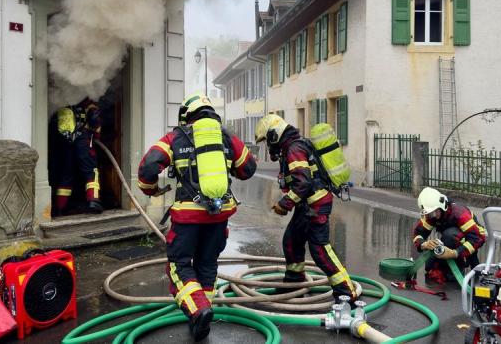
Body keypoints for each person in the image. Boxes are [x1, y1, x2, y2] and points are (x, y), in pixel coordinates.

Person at [138, 93, 256, 342]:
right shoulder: (226, 136)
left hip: (188, 217)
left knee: (178, 265)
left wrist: (150, 190)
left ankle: (198, 310)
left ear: (186, 115)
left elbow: (148, 166)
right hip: (219, 215)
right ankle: (202, 314)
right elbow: (248, 168)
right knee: (207, 263)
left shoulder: (175, 137)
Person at [254, 114, 356, 304]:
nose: (268, 145)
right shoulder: (292, 147)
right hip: (307, 205)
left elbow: (303, 183)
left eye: (267, 140)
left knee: (320, 249)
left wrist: (284, 205)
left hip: (315, 205)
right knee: (291, 242)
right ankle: (295, 284)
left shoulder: (294, 148)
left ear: (275, 135)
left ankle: (346, 292)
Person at [412, 187, 486, 284]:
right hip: (450, 239)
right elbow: (418, 233)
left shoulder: (459, 213)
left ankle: (458, 268)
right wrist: (423, 244)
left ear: (441, 206)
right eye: (429, 214)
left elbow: (478, 238)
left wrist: (455, 253)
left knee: (450, 235)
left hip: (469, 238)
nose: (433, 216)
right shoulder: (432, 214)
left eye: (434, 212)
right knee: (429, 266)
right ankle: (445, 268)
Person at [49, 98, 103, 216]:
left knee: (67, 174)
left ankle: (59, 207)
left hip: (66, 142)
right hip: (84, 141)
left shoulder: (63, 103)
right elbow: (95, 121)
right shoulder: (88, 103)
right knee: (91, 171)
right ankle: (93, 200)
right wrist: (96, 134)